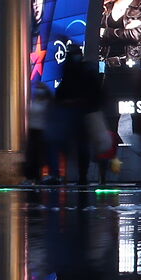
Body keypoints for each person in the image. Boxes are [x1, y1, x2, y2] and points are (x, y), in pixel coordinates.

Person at [52, 43, 106, 185]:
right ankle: (82, 175)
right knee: (82, 145)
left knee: (77, 144)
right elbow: (96, 92)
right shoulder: (85, 69)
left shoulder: (70, 70)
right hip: (83, 112)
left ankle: (71, 174)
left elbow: (62, 91)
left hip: (75, 112)